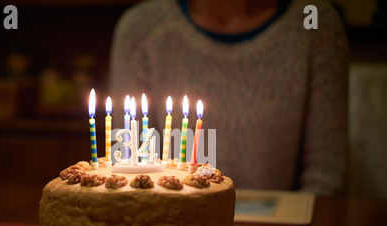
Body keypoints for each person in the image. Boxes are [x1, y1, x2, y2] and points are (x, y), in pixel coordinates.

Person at [109, 0, 349, 195]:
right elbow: (129, 159)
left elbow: (326, 177)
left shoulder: (314, 19)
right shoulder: (142, 26)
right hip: (172, 223)